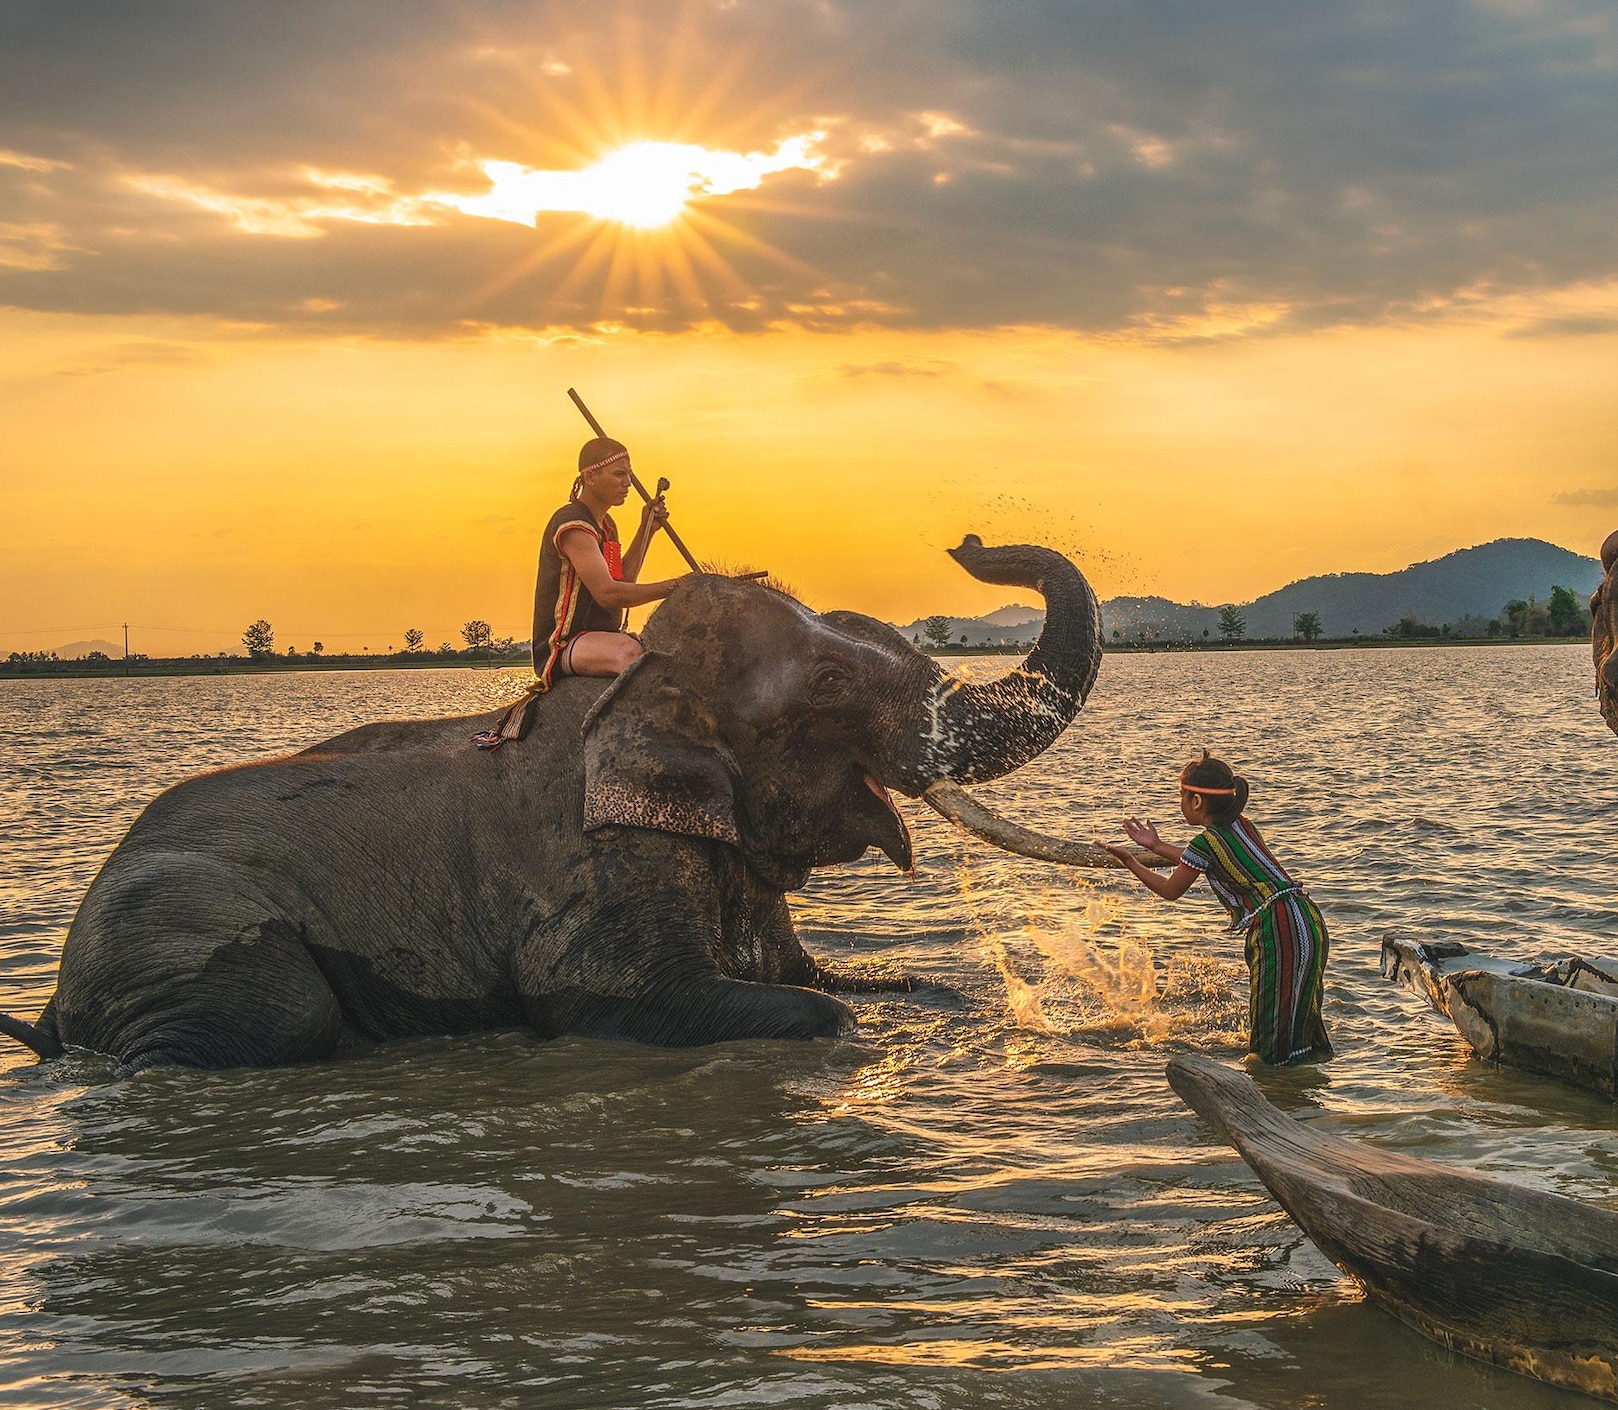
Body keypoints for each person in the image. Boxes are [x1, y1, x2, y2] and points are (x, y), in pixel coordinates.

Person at [1100, 750, 1332, 1066]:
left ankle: (1272, 1090)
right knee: (1301, 1015)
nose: (1180, 802)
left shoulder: (1205, 843)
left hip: (1278, 927)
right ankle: (1306, 1090)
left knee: (1270, 1029)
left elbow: (1171, 889)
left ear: (1196, 802)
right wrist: (1154, 847)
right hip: (1306, 918)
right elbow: (1202, 860)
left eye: (1182, 796)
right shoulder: (1242, 826)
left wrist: (1130, 862)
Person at [532, 435, 685, 688]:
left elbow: (621, 580)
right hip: (564, 643)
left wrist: (646, 530)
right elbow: (608, 594)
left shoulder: (607, 526)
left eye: (629, 475)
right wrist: (675, 587)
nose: (628, 483)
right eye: (619, 475)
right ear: (590, 477)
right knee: (630, 652)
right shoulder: (574, 524)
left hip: (598, 638)